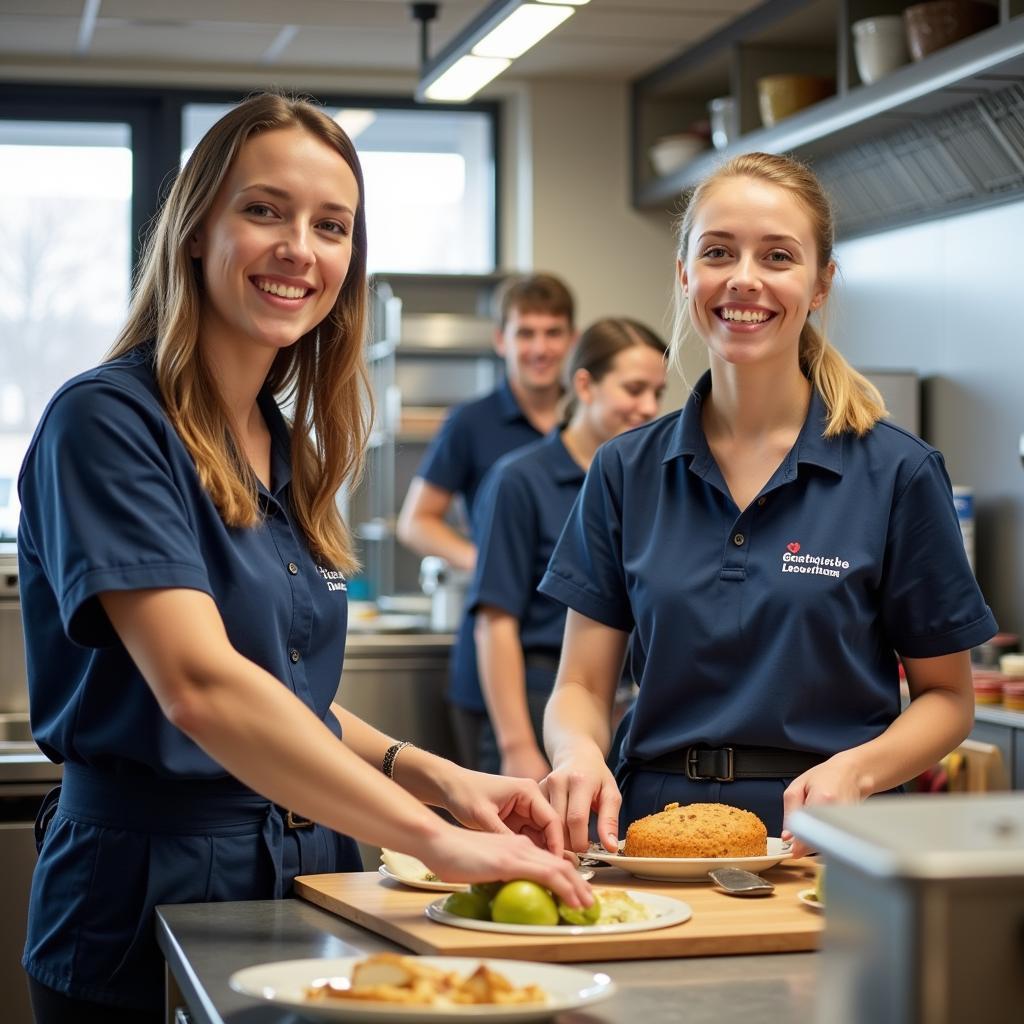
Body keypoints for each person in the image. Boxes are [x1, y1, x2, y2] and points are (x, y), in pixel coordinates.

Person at [16, 94, 590, 1023]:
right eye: (265, 210)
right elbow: (201, 686)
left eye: (332, 226)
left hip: (310, 874)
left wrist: (436, 776)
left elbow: (281, 686)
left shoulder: (283, 445)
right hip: (146, 887)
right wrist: (430, 842)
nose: (301, 248)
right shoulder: (109, 423)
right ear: (197, 231)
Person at [537, 152, 997, 859]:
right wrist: (576, 755)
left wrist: (859, 769)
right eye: (718, 251)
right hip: (650, 832)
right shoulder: (625, 470)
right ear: (687, 274)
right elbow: (579, 685)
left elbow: (948, 699)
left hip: (836, 838)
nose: (744, 278)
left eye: (778, 256)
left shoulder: (896, 471)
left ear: (819, 284)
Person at [469, 318, 668, 779]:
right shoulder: (519, 479)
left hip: (622, 703)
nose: (648, 407)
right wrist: (517, 744)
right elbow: (495, 622)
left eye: (657, 393)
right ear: (585, 385)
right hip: (541, 694)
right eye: (634, 389)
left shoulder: (649, 480)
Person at [397, 274, 577, 770]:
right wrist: (490, 562)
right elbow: (416, 522)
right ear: (501, 340)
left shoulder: (589, 421)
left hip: (570, 663)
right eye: (525, 333)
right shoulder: (471, 423)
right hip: (493, 665)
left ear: (572, 340)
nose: (539, 348)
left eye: (552, 333)